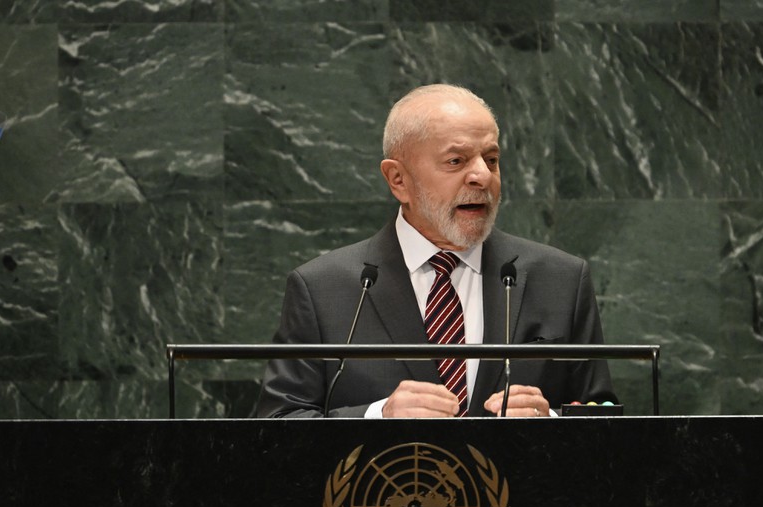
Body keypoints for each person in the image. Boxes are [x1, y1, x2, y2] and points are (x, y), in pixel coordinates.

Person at [255, 84, 617, 418]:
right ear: (398, 180)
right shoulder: (322, 289)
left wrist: (552, 418)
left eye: (491, 159)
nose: (483, 176)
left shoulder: (561, 280)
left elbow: (604, 415)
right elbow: (276, 424)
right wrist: (376, 417)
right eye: (456, 161)